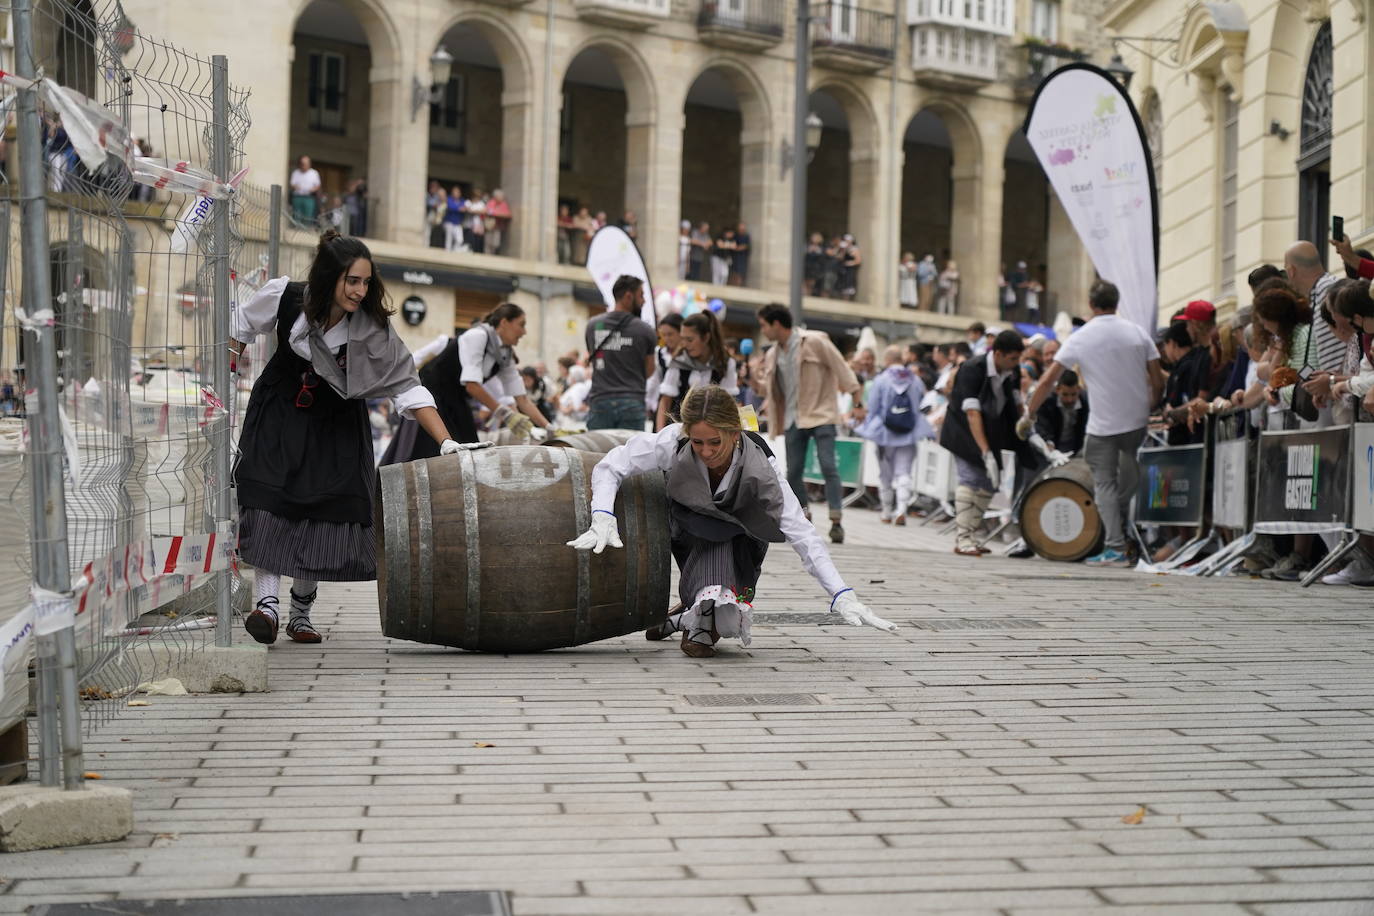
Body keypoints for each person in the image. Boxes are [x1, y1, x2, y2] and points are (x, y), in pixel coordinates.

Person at [230, 231, 459, 645]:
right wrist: (224, 380)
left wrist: (445, 441)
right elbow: (241, 325)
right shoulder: (284, 296)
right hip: (278, 411)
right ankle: (266, 607)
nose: (360, 290)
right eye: (352, 280)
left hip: (334, 423)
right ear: (329, 276)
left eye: (366, 282)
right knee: (266, 498)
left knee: (322, 509)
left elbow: (406, 386)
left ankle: (300, 612)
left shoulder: (371, 330)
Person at [567, 385, 896, 658]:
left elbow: (802, 532)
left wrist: (841, 593)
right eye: (698, 442)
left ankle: (688, 618)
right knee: (711, 580)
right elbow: (611, 466)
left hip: (742, 535)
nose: (706, 452)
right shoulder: (672, 442)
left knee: (722, 600)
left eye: (715, 443)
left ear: (735, 433)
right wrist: (602, 516)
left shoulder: (761, 469)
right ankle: (696, 613)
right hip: (687, 527)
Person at [1024, 280, 1165, 567]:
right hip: (1136, 422)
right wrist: (1151, 404)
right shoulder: (1137, 332)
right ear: (1117, 302)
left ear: (1091, 305)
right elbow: (1157, 377)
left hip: (1102, 426)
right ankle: (1120, 536)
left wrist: (1030, 412)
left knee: (1105, 486)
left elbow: (1049, 379)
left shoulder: (1081, 337)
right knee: (1126, 481)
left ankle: (1114, 547)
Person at [756, 304, 864, 544]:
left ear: (776, 323)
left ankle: (836, 520)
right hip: (794, 417)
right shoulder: (773, 353)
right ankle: (803, 516)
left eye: (764, 325)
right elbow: (771, 390)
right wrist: (755, 378)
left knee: (828, 465)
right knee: (793, 471)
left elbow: (841, 368)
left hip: (822, 413)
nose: (762, 331)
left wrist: (857, 400)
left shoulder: (813, 341)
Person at [396, 303, 551, 463]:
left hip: (456, 400)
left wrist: (549, 427)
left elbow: (522, 400)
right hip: (432, 396)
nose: (524, 332)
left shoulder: (505, 355)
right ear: (504, 322)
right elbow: (472, 385)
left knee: (471, 449)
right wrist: (506, 414)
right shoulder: (477, 336)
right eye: (521, 325)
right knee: (427, 453)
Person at [939, 330, 1038, 557]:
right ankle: (963, 539)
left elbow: (1015, 402)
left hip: (992, 431)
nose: (1016, 364)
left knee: (989, 483)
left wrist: (1026, 424)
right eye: (1013, 358)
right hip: (963, 431)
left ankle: (971, 535)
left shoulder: (1011, 371)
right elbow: (972, 413)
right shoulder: (972, 369)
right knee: (970, 479)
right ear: (999, 354)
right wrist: (985, 453)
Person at [855, 346, 933, 525]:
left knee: (885, 474)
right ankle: (902, 509)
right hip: (909, 432)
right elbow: (922, 403)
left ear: (888, 360)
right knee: (904, 472)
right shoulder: (915, 380)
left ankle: (886, 510)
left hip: (884, 433)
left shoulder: (881, 380)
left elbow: (873, 408)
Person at [585, 275, 658, 430]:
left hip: (600, 401)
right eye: (641, 295)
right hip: (632, 402)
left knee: (597, 454)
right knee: (630, 453)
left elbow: (593, 359)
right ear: (628, 296)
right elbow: (650, 370)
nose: (644, 301)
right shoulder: (645, 330)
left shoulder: (593, 325)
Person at [655, 310, 739, 430]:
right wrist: (659, 433)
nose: (684, 344)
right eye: (682, 338)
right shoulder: (678, 361)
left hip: (712, 432)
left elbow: (730, 403)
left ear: (706, 338)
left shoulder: (725, 364)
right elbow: (665, 402)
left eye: (689, 340)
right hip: (679, 430)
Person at [1033, 369, 1089, 456]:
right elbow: (1043, 428)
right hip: (1053, 446)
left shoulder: (1086, 401)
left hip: (1076, 447)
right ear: (1057, 390)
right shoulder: (1046, 402)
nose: (1069, 400)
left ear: (1079, 389)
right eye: (1065, 394)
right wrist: (1049, 445)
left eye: (1073, 394)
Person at [647, 313, 683, 422]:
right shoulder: (659, 353)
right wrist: (649, 403)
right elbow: (654, 380)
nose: (666, 338)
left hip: (684, 408)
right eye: (663, 334)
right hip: (664, 408)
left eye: (670, 334)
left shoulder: (688, 357)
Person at [288, 155, 321, 228]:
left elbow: (318, 185)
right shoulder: (296, 172)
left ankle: (305, 231)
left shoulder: (314, 173)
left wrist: (312, 189)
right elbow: (292, 184)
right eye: (302, 164)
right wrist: (297, 187)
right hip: (297, 197)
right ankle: (296, 229)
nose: (304, 165)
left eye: (306, 164)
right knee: (297, 215)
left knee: (308, 216)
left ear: (309, 164)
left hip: (309, 197)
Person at [443, 185, 467, 252]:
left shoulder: (462, 200)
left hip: (457, 222)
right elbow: (450, 206)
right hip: (449, 221)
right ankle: (447, 251)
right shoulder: (449, 199)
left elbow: (464, 208)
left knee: (460, 239)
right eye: (454, 192)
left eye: (457, 192)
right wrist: (458, 208)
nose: (456, 193)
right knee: (449, 238)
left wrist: (462, 208)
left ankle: (455, 250)